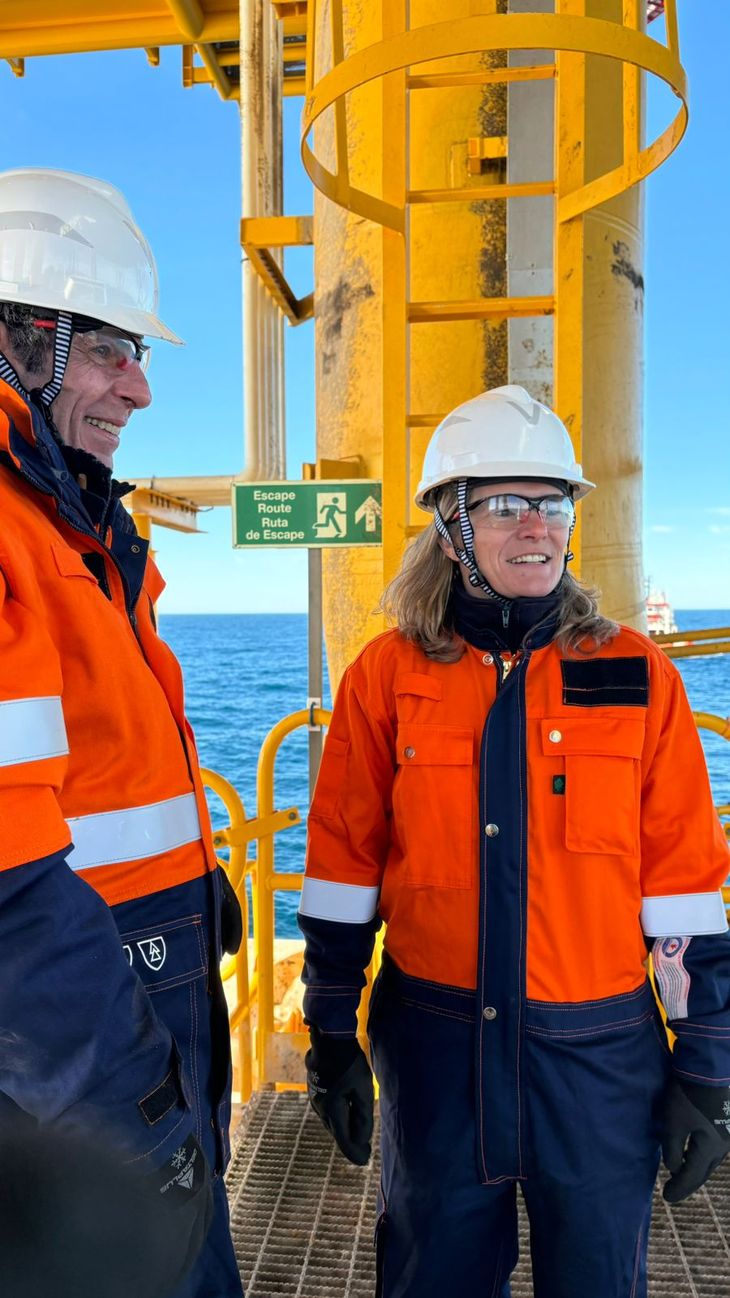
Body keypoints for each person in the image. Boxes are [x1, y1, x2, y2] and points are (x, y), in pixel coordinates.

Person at [298, 385, 730, 1298]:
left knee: (600, 1280)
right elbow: (343, 868)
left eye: (553, 502)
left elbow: (685, 886)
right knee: (433, 1276)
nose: (536, 526)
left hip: (598, 1058)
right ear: (452, 526)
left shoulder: (633, 671)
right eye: (504, 504)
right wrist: (331, 1033)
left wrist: (705, 1063)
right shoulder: (386, 675)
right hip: (436, 1050)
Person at [0, 168, 244, 1297]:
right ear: (21, 339)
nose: (139, 385)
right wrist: (132, 1116)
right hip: (77, 1086)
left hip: (138, 1008)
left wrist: (199, 882)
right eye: (108, 348)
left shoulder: (76, 526)